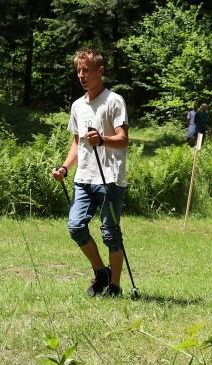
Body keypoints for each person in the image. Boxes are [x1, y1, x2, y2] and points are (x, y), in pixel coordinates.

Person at [52, 48, 129, 298]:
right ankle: (101, 271)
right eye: (78, 71)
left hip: (110, 178)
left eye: (86, 70)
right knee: (75, 227)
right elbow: (77, 143)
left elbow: (123, 139)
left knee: (110, 233)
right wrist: (65, 167)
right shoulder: (77, 106)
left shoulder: (114, 101)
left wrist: (103, 140)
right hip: (83, 178)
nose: (81, 75)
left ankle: (115, 287)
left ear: (100, 71)